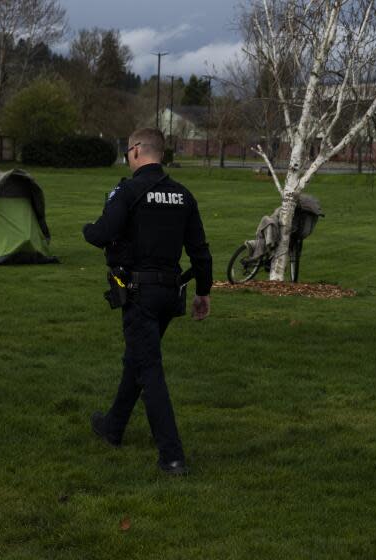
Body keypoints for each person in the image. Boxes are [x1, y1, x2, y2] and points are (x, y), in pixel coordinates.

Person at [83, 128, 212, 475]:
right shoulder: (184, 196)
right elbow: (200, 250)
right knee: (138, 360)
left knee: (150, 370)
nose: (127, 156)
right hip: (171, 294)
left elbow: (102, 234)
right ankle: (113, 427)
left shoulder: (129, 191)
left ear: (137, 150)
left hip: (140, 293)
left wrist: (86, 229)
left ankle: (172, 456)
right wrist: (204, 292)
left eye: (127, 151)